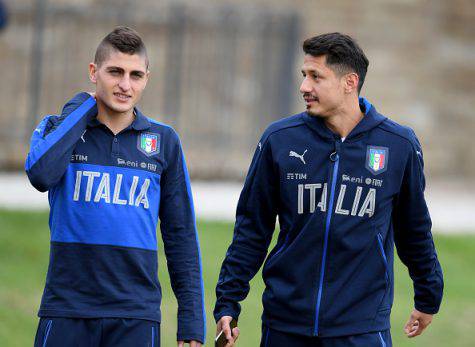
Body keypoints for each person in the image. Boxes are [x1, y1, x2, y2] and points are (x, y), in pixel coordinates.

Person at [214, 32, 443, 346]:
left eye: (315, 77)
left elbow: (414, 228)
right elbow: (252, 228)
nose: (304, 86)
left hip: (361, 328)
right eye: (304, 75)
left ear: (349, 82)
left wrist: (428, 293)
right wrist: (228, 300)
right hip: (285, 325)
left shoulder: (399, 145)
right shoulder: (279, 140)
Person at [25, 26, 205, 347]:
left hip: (136, 315)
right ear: (94, 73)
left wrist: (191, 321)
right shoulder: (59, 129)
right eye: (115, 72)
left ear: (147, 78)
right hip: (67, 310)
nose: (125, 85)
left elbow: (181, 236)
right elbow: (40, 174)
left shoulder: (164, 141)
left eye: (136, 75)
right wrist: (82, 107)